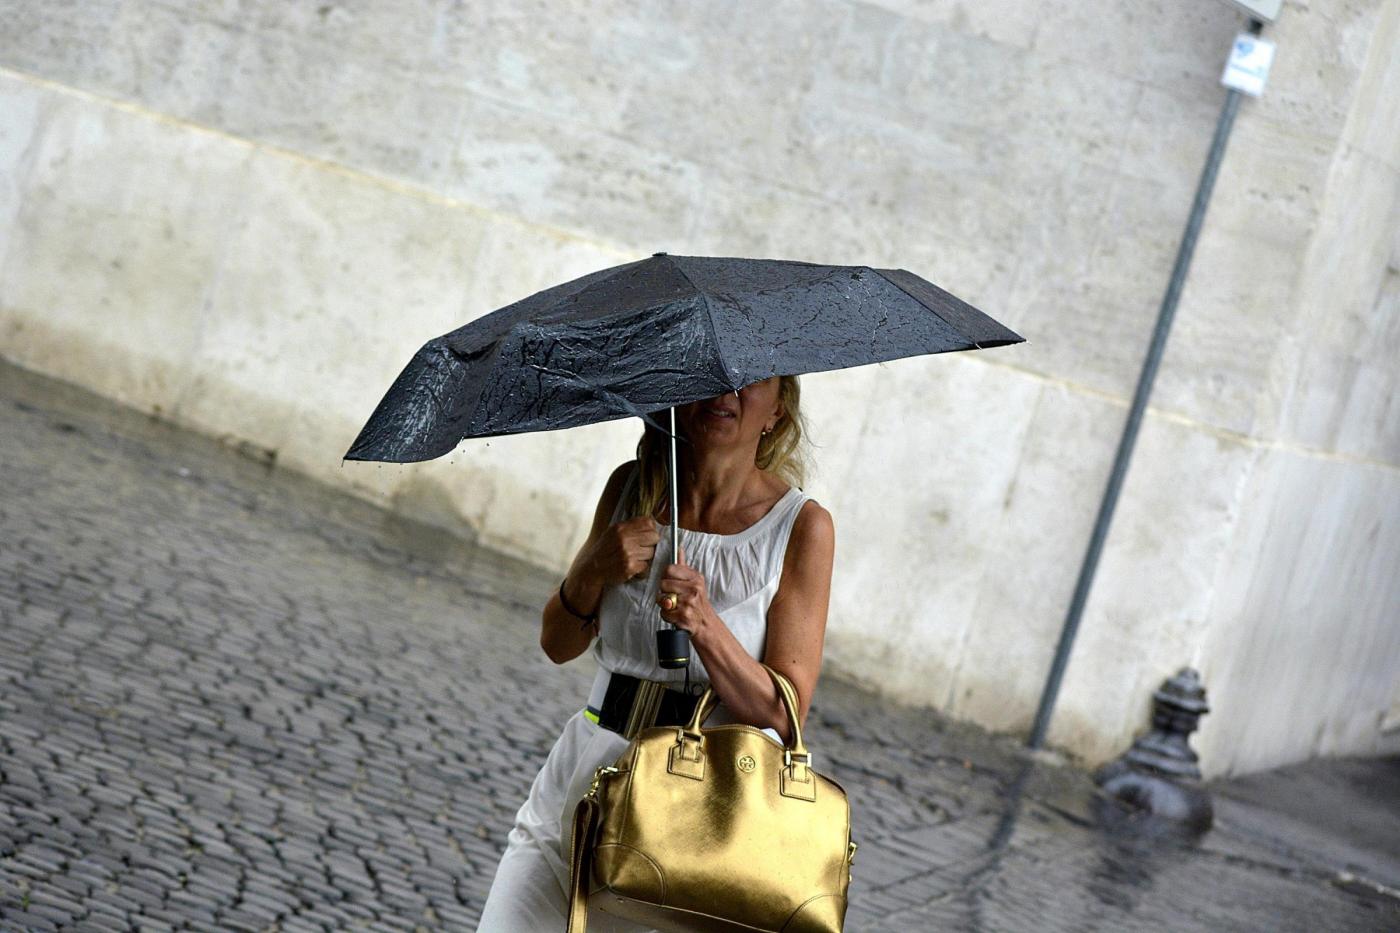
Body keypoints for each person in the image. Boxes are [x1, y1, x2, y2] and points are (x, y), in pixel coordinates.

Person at [476, 375, 836, 932]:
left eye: (749, 381)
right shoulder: (632, 490)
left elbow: (784, 712)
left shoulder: (801, 528)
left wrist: (705, 624)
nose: (725, 393)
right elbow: (557, 643)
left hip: (694, 812)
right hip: (586, 774)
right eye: (709, 377)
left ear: (777, 413)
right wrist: (593, 569)